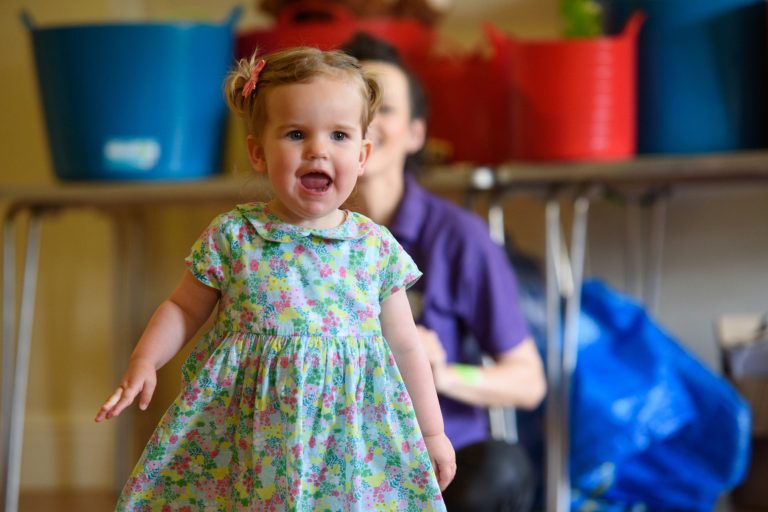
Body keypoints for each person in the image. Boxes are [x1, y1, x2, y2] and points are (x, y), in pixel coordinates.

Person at [95, 46, 456, 511]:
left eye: (340, 136)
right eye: (295, 133)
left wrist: (431, 432)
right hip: (253, 434)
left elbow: (405, 346)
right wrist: (146, 360)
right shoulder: (236, 235)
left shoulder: (374, 247)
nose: (318, 150)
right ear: (258, 152)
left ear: (363, 155)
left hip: (347, 441)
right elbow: (184, 309)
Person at [340, 33, 547, 511]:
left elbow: (528, 382)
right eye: (354, 108)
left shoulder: (459, 236)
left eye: (384, 108)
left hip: (440, 463)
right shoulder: (294, 237)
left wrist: (446, 374)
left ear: (415, 133)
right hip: (332, 456)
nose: (367, 122)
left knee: (503, 467)